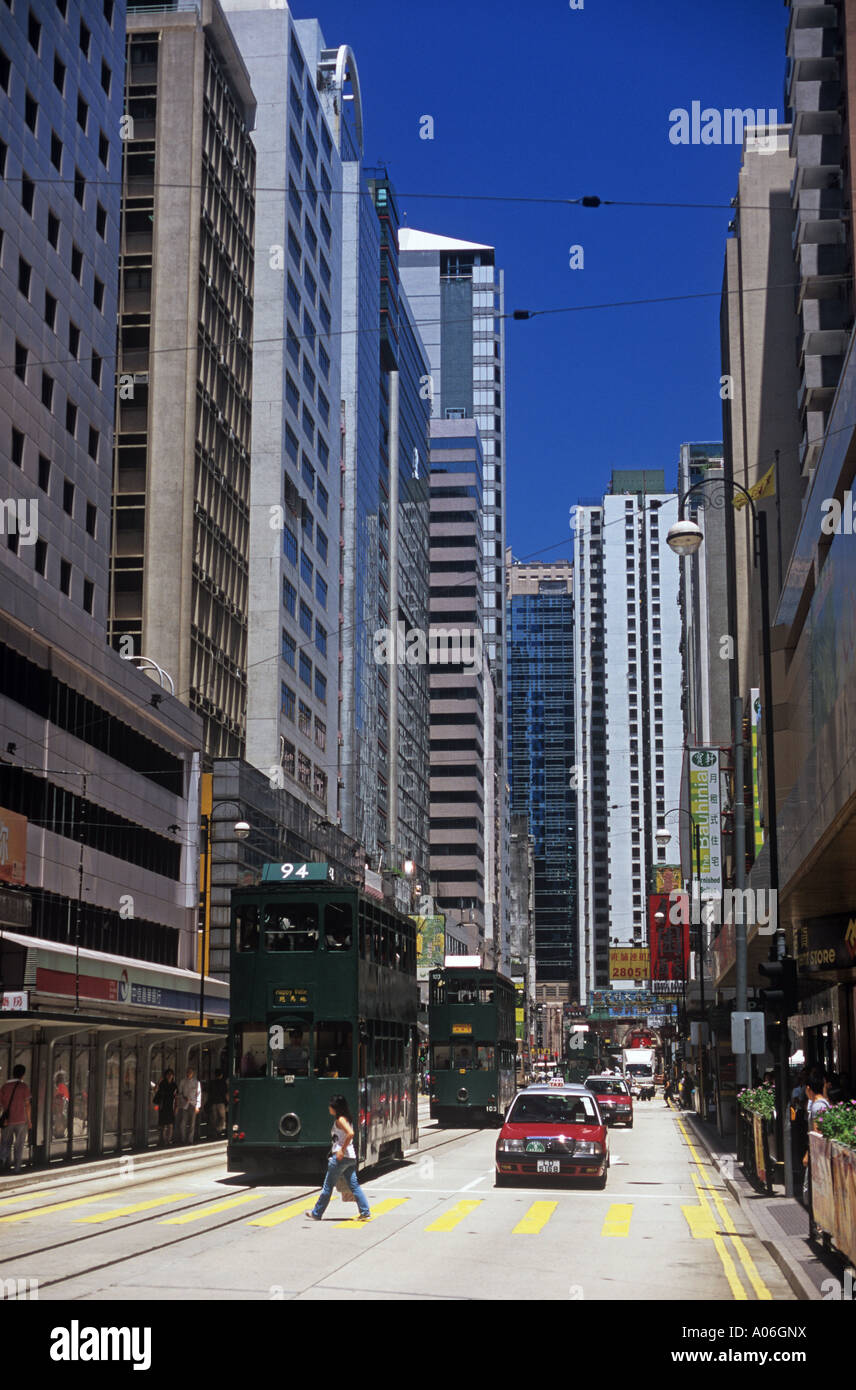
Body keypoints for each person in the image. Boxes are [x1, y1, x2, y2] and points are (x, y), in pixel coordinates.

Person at [307, 1095, 370, 1221]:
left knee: (327, 1186)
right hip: (350, 1157)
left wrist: (341, 1149)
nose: (329, 1107)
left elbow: (350, 1134)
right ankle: (365, 1212)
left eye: (331, 1106)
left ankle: (317, 1213)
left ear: (336, 1108)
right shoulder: (346, 1118)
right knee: (354, 1186)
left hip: (340, 1158)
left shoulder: (341, 1119)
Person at [803, 1068, 830, 1203]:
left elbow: (817, 1133)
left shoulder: (817, 1106)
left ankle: (816, 1222)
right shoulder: (821, 1103)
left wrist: (808, 1154)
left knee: (809, 1191)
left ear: (809, 1088)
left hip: (817, 1155)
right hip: (821, 1154)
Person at [0, 1064, 32, 1173]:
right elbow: (27, 1105)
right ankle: (17, 1168)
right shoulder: (24, 1087)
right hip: (21, 1120)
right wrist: (29, 1120)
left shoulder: (5, 1086)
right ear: (23, 1074)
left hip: (7, 1120)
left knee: (5, 1143)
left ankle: (2, 1160)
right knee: (19, 1145)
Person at [176, 1066, 202, 1145]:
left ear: (192, 1073)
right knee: (183, 1123)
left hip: (193, 1104)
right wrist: (183, 1097)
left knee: (192, 1123)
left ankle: (190, 1140)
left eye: (190, 1072)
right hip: (184, 1105)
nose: (189, 1073)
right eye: (188, 1072)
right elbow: (179, 1093)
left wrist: (198, 1106)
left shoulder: (197, 1082)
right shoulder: (182, 1082)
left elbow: (199, 1094)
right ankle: (183, 1139)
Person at [153, 1068, 177, 1146]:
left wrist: (176, 1107)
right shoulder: (162, 1083)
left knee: (170, 1124)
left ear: (173, 1076)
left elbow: (176, 1096)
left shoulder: (174, 1085)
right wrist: (158, 1082)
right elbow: (155, 1090)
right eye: (168, 1074)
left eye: (171, 1074)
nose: (170, 1076)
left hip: (171, 1106)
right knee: (162, 1124)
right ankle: (162, 1140)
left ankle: (168, 1140)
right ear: (165, 1076)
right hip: (163, 1105)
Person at [208, 1070, 227, 1138]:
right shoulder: (223, 1083)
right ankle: (219, 1130)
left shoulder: (212, 1082)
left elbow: (209, 1093)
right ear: (221, 1075)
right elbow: (225, 1093)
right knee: (222, 1117)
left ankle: (214, 1132)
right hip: (221, 1102)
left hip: (213, 1102)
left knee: (214, 1118)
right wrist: (227, 1102)